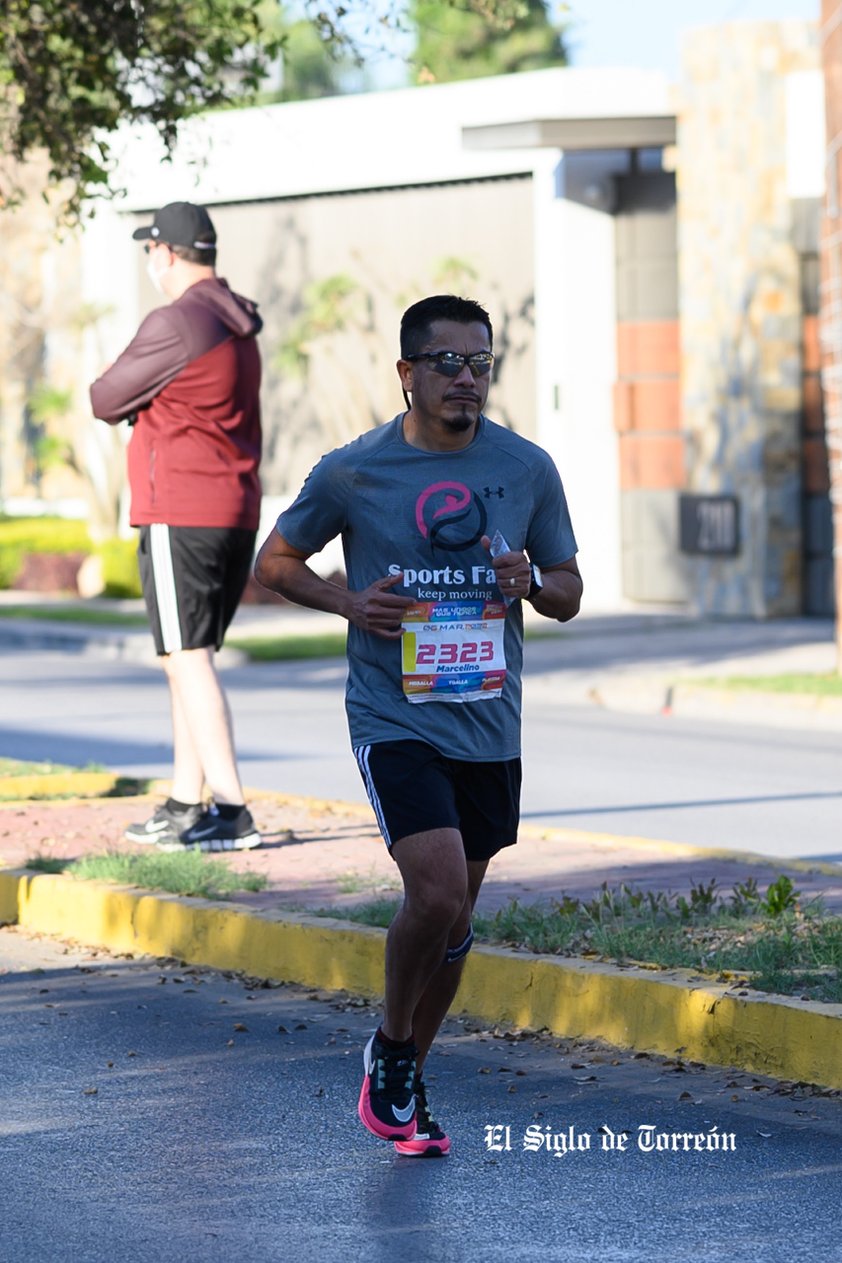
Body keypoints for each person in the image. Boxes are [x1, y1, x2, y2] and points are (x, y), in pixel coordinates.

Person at [254, 294, 582, 1156]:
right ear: (407, 374)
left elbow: (569, 593)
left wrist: (530, 586)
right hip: (393, 713)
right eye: (447, 363)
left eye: (480, 364)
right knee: (433, 892)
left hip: (487, 719)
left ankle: (403, 1079)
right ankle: (394, 1046)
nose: (465, 380)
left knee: (457, 918)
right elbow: (276, 563)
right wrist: (350, 602)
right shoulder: (354, 471)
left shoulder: (527, 466)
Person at [90, 201, 263, 852]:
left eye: (149, 251)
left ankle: (232, 807)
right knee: (188, 658)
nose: (148, 263)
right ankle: (185, 799)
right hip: (233, 506)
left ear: (166, 253)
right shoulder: (237, 320)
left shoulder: (178, 321)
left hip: (181, 508)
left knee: (186, 658)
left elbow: (105, 397)